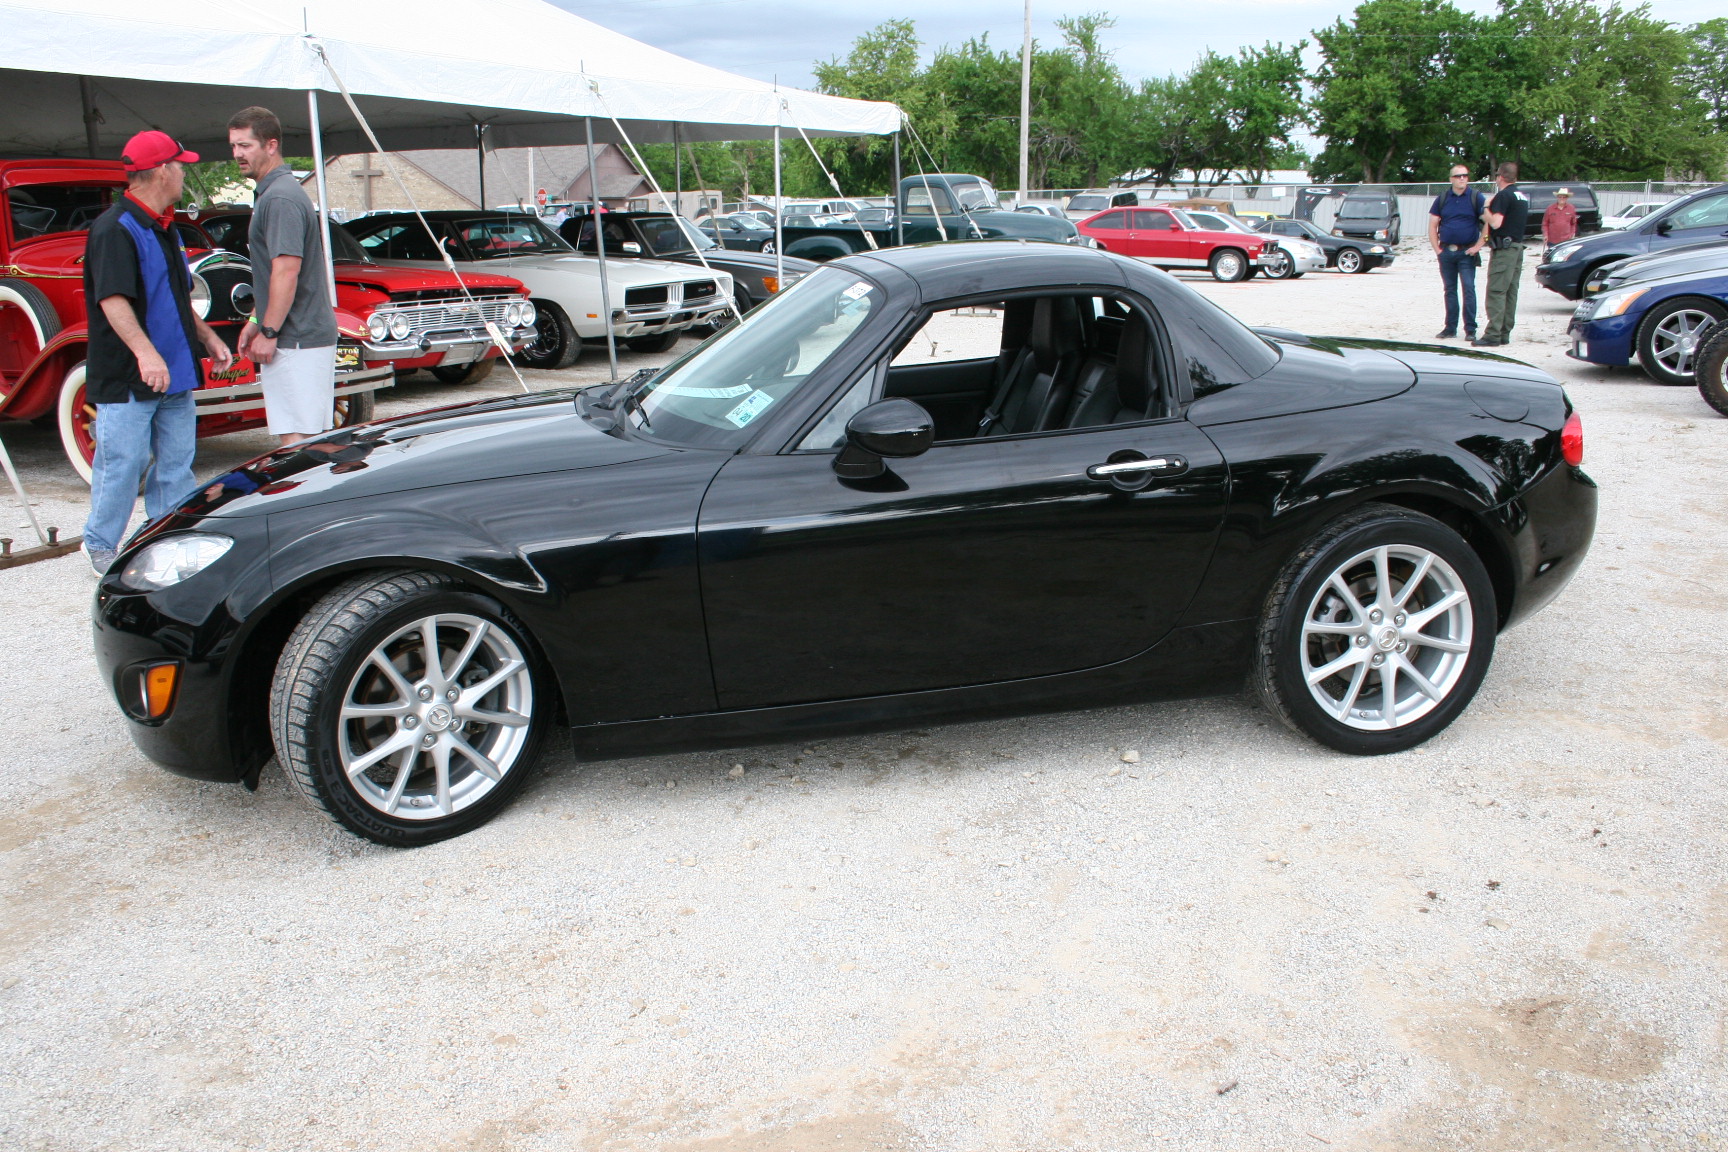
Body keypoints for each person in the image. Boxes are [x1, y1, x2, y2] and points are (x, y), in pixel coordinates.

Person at [80, 130, 233, 574]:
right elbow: (113, 300)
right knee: (122, 463)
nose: (185, 172)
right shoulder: (114, 228)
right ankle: (100, 543)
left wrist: (206, 336)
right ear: (162, 170)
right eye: (180, 165)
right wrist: (148, 356)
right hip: (131, 373)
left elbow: (176, 296)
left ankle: (164, 534)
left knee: (177, 464)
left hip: (176, 369)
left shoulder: (164, 226)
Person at [227, 106, 338, 445]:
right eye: (233, 146)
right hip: (297, 337)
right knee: (303, 443)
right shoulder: (273, 194)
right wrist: (257, 320)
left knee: (299, 447)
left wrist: (270, 330)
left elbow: (287, 271)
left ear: (271, 145)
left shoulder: (280, 198)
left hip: (297, 339)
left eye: (245, 145)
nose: (237, 154)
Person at [1427, 164, 1487, 339]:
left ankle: (1470, 330)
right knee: (1450, 290)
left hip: (1466, 253)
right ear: (1451, 179)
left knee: (1469, 289)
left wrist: (1477, 247)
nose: (1462, 178)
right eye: (1458, 176)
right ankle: (1450, 328)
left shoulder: (1476, 197)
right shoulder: (1443, 198)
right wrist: (1437, 249)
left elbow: (1487, 223)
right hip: (1446, 252)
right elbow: (1433, 224)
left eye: (1465, 175)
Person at [1476, 162, 1530, 348]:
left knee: (1497, 291)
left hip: (1504, 250)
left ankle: (1492, 334)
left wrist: (1485, 210)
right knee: (1510, 292)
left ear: (1500, 176)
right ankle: (1504, 332)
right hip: (1517, 248)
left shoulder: (1503, 196)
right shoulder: (1521, 196)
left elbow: (1497, 223)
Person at [1542, 187, 1578, 260]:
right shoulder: (1550, 208)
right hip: (1552, 240)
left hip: (1566, 240)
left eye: (1564, 197)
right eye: (1560, 196)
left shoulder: (1571, 208)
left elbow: (1573, 223)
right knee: (1552, 258)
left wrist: (1572, 234)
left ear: (1567, 198)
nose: (1562, 198)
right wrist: (1545, 235)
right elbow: (1545, 223)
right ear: (1557, 197)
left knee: (1564, 259)